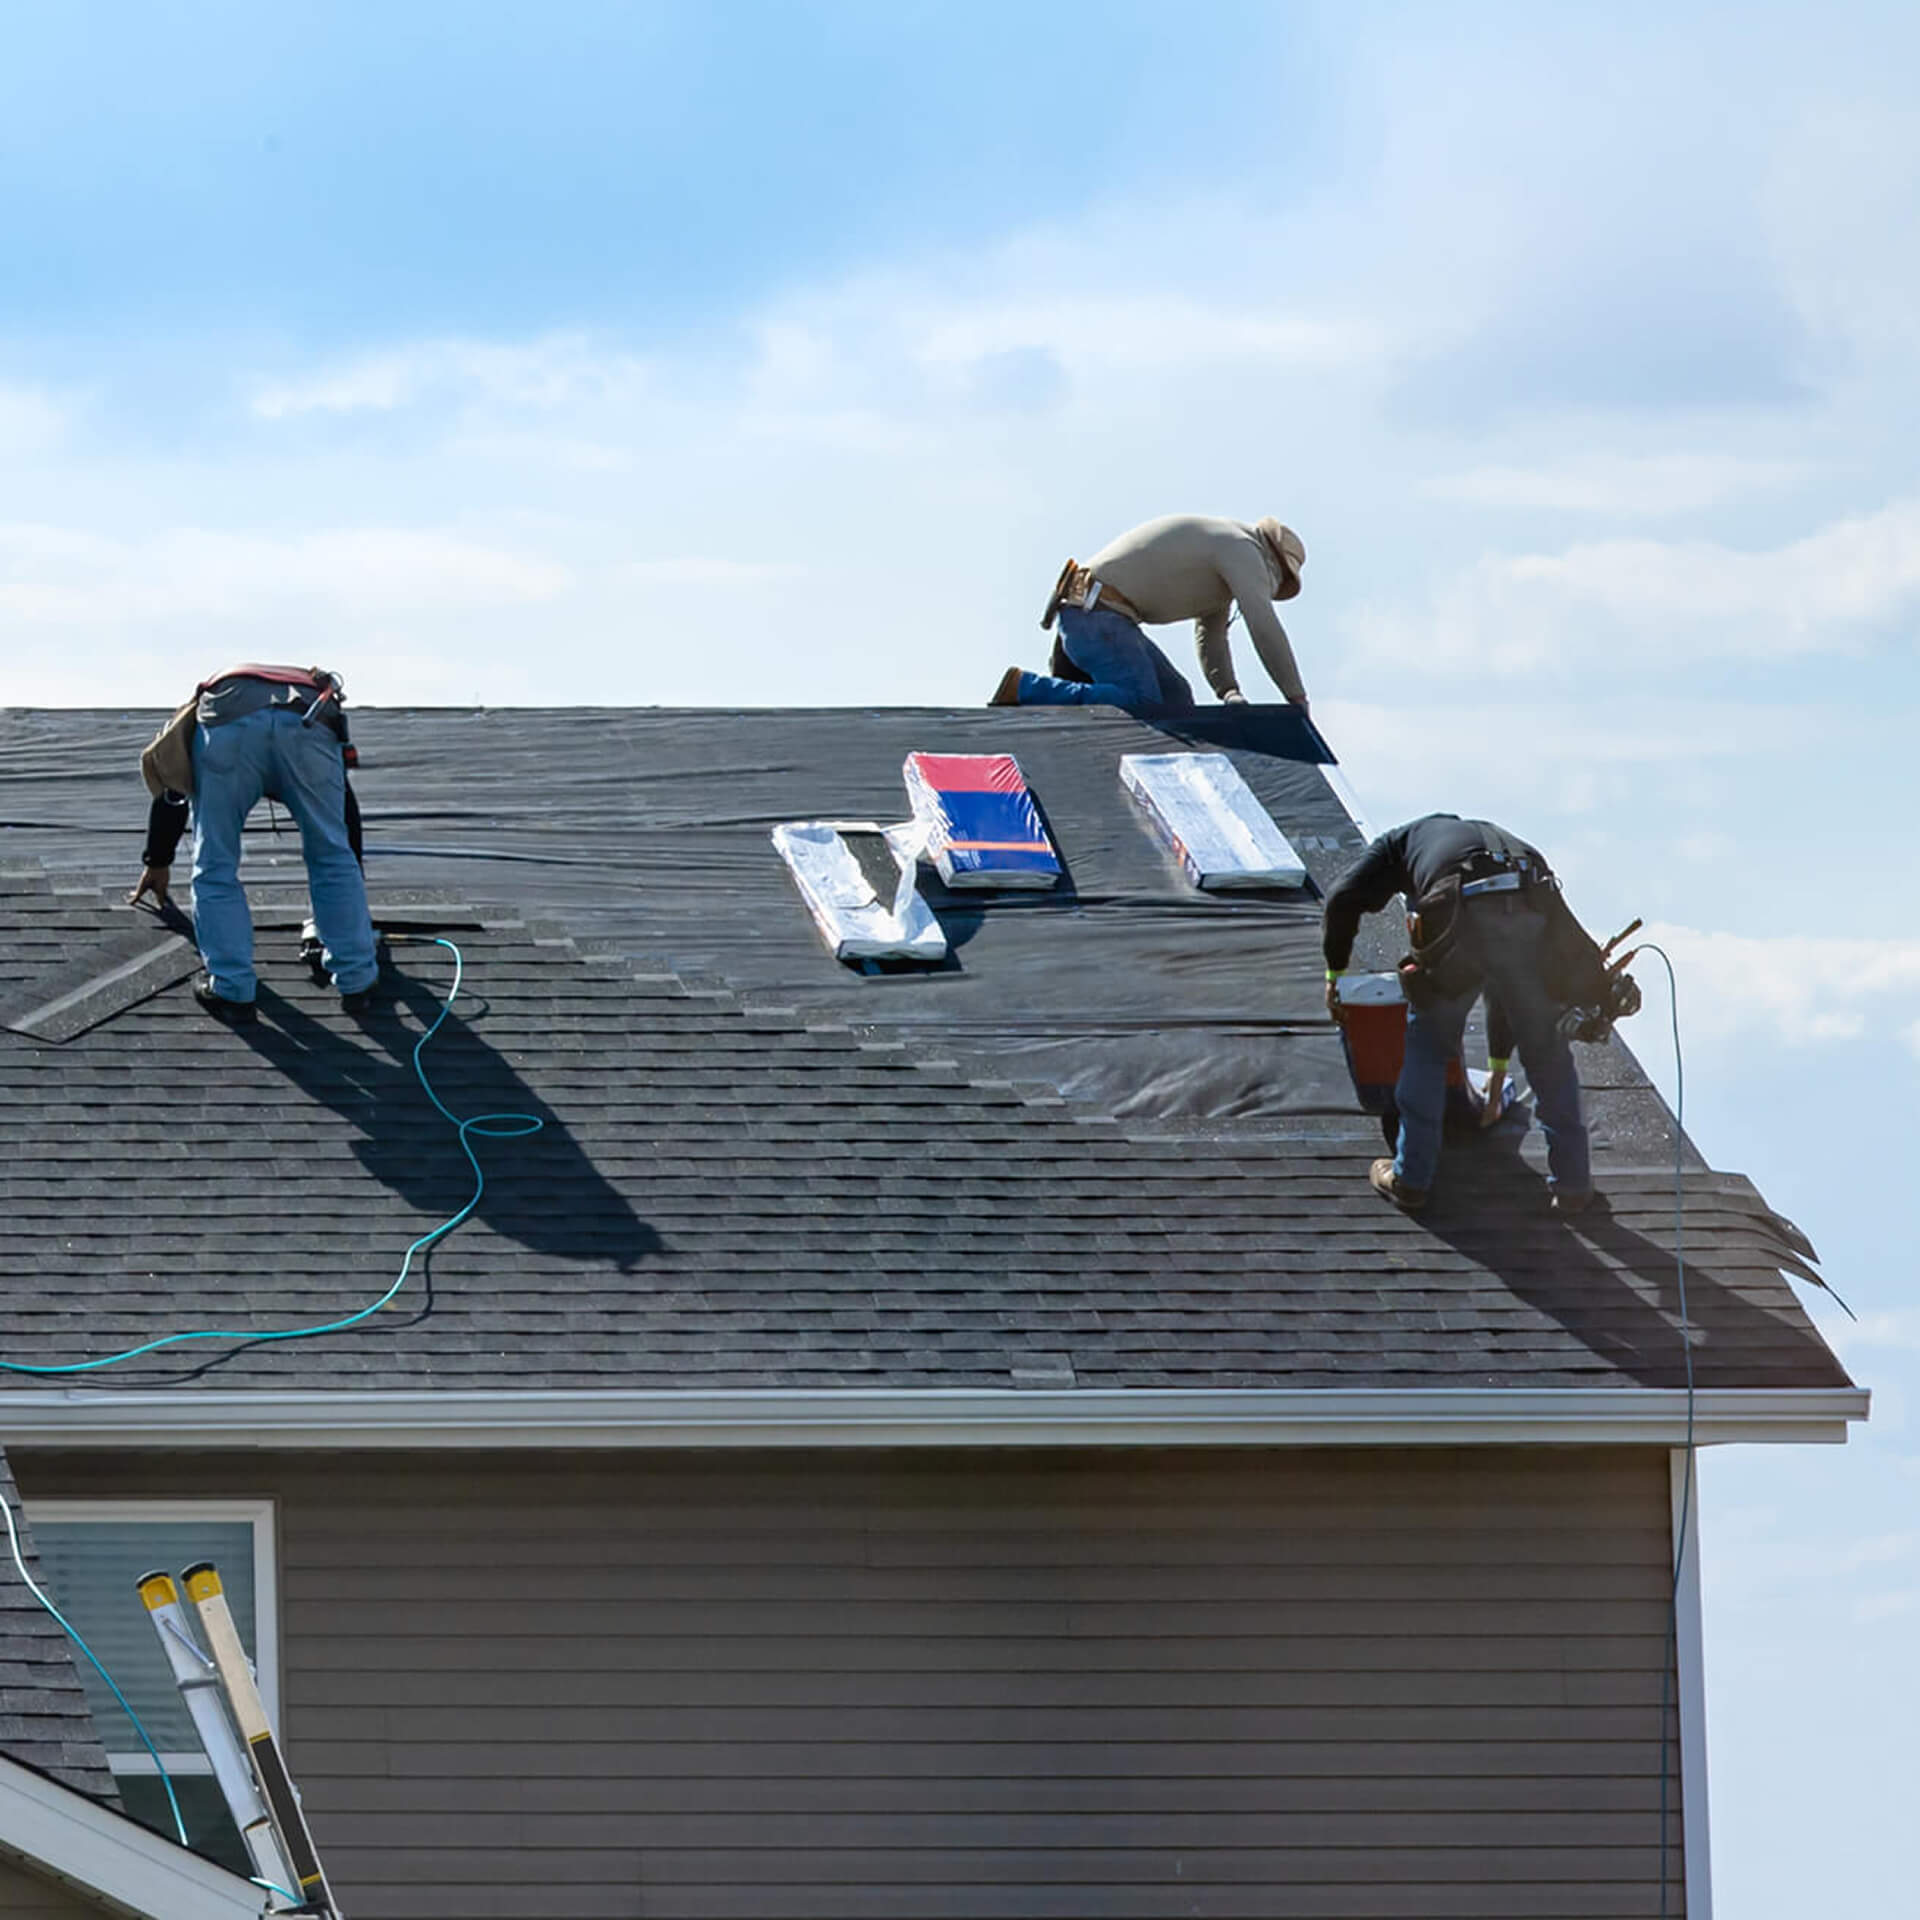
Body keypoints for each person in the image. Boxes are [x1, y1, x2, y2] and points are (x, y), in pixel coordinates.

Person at [1321, 814, 1593, 1218]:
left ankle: (1410, 1178)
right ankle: (1573, 1186)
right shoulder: (1498, 842)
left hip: (1462, 909)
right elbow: (1505, 986)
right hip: (1533, 904)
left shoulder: (1396, 846)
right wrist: (1499, 1072)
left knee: (1429, 1043)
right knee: (1548, 1054)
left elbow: (1342, 897)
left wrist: (1335, 974)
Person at [129, 666, 379, 1024]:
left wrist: (158, 859)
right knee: (331, 855)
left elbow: (174, 784)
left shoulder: (204, 712)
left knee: (214, 862)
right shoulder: (310, 722)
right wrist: (352, 888)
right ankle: (357, 981)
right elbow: (344, 823)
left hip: (227, 722)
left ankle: (231, 989)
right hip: (308, 722)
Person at [990, 513, 1308, 715]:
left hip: (1097, 615)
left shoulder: (1224, 548)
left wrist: (1229, 691)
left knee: (1176, 704)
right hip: (1094, 615)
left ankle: (1060, 701)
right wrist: (1296, 699)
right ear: (1274, 563)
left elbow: (1211, 633)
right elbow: (1264, 626)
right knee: (1143, 703)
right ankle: (1027, 689)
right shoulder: (1243, 550)